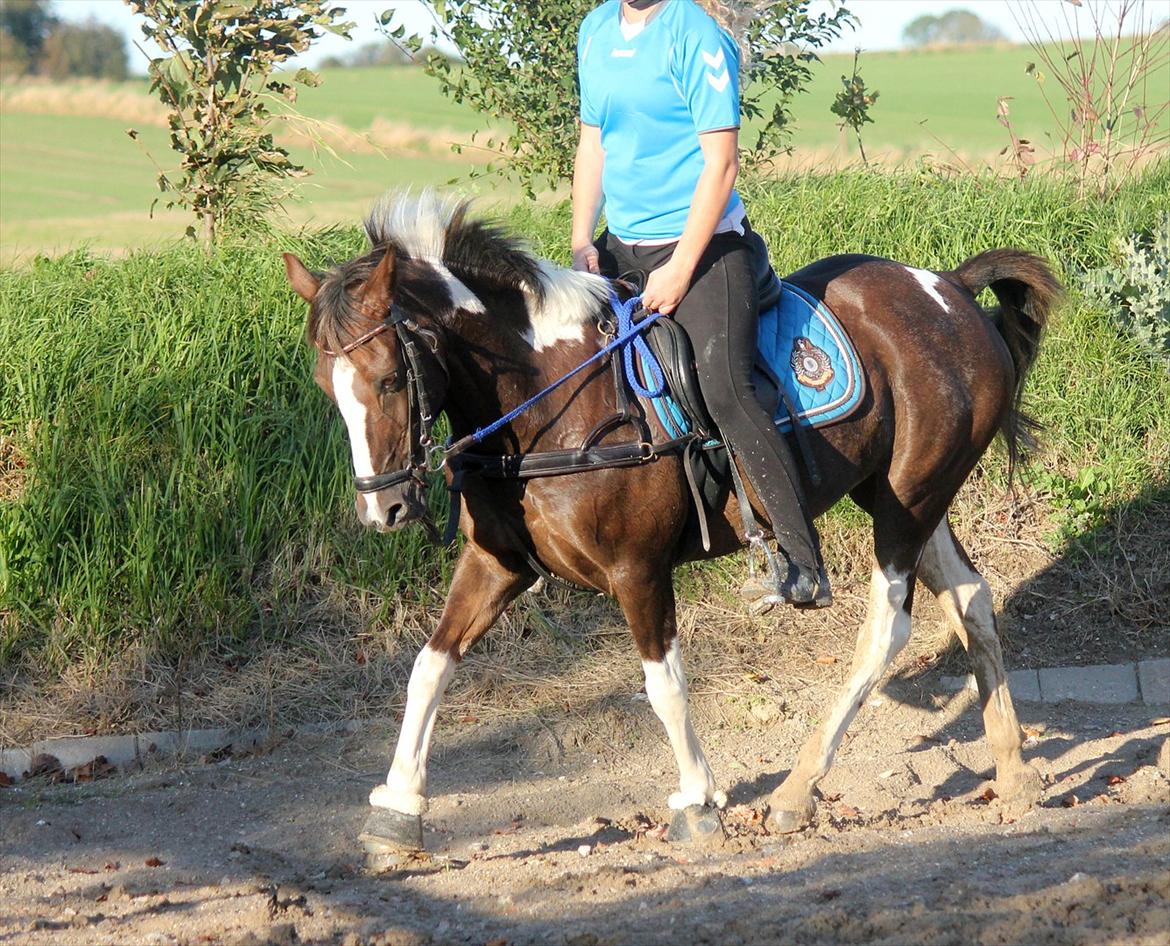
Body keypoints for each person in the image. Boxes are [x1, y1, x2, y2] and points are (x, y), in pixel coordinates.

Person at [571, 0, 831, 608]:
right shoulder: (594, 30)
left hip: (707, 246)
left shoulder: (696, 35)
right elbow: (593, 143)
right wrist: (582, 237)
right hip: (618, 245)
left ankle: (799, 558)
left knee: (726, 390)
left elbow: (721, 164)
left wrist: (681, 269)